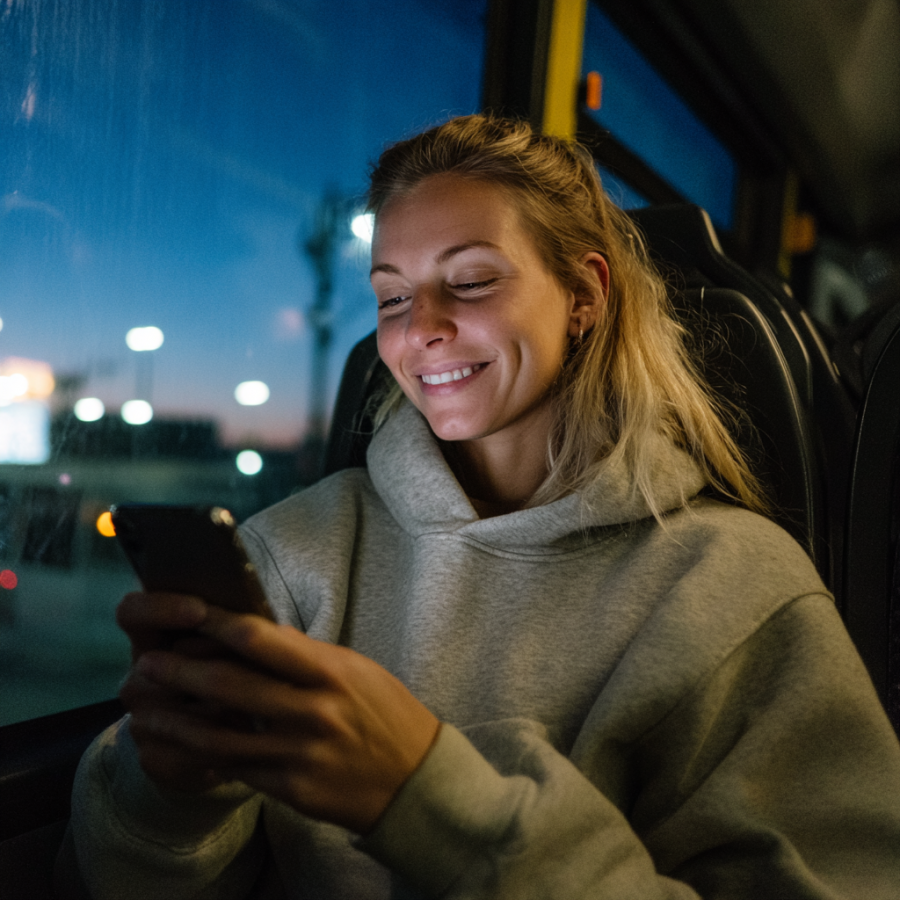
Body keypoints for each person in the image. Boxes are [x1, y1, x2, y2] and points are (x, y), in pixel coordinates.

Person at [69, 115, 900, 899]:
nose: (419, 328)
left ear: (585, 295)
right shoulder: (293, 550)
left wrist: (427, 798)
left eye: (469, 281)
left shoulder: (737, 591)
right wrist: (173, 795)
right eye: (393, 297)